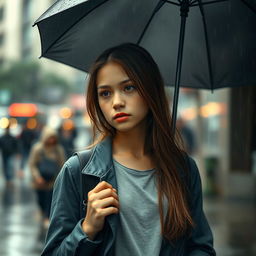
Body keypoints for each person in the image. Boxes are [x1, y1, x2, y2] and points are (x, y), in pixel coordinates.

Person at [41, 43, 216, 255]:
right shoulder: (78, 171)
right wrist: (86, 229)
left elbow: (200, 246)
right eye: (105, 93)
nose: (116, 102)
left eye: (128, 87)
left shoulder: (183, 169)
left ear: (150, 90)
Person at [28, 126, 66, 229]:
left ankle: (47, 217)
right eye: (50, 137)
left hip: (52, 181)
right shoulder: (37, 148)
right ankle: (42, 212)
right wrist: (37, 177)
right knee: (41, 199)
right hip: (39, 181)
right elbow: (32, 164)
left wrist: (61, 178)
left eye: (53, 138)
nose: (52, 140)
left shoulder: (58, 149)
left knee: (50, 200)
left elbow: (63, 164)